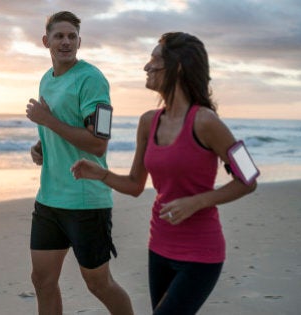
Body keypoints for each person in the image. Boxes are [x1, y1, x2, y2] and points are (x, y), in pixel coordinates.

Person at [71, 32, 258, 314]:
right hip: (159, 246)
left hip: (201, 253)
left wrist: (197, 201)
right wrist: (101, 174)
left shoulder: (207, 122)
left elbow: (249, 178)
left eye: (154, 60)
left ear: (177, 67)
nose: (146, 67)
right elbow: (135, 185)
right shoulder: (148, 122)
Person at [25, 11, 134, 315]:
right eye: (59, 36)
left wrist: (47, 120)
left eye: (72, 36)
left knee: (98, 284)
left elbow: (99, 142)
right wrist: (42, 144)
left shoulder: (93, 80)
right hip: (49, 199)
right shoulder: (46, 79)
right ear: (46, 41)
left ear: (80, 41)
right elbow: (60, 127)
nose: (66, 42)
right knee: (42, 281)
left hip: (85, 201)